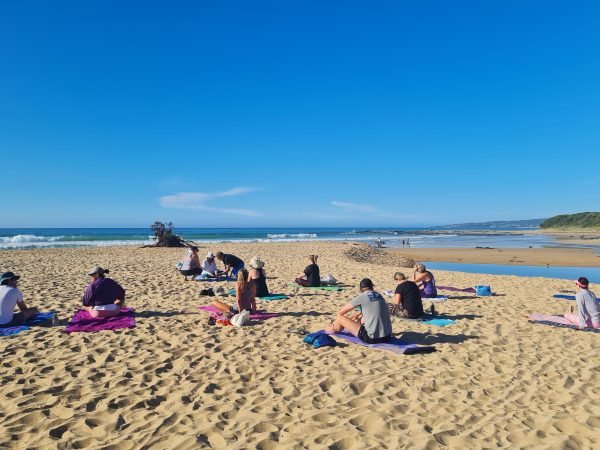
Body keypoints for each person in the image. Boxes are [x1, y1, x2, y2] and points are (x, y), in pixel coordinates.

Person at [324, 278, 392, 344]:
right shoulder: (379, 295)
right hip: (387, 337)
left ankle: (329, 329)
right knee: (361, 319)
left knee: (340, 318)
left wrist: (343, 323)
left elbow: (340, 313)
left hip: (372, 338)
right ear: (372, 287)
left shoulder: (362, 297)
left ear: (360, 289)